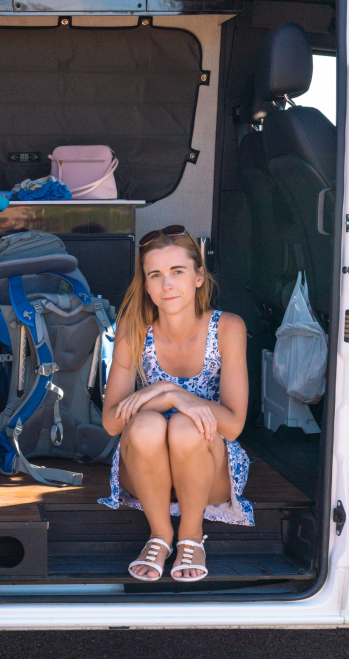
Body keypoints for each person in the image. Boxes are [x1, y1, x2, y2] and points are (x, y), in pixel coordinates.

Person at [99, 225, 254, 582]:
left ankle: (190, 535)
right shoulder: (133, 328)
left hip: (207, 470)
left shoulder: (227, 327)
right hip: (144, 473)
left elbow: (232, 425)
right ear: (146, 284)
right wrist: (167, 396)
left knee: (185, 426)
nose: (167, 284)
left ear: (199, 277)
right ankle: (161, 534)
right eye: (155, 275)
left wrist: (173, 394)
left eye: (177, 272)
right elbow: (111, 422)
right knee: (147, 425)